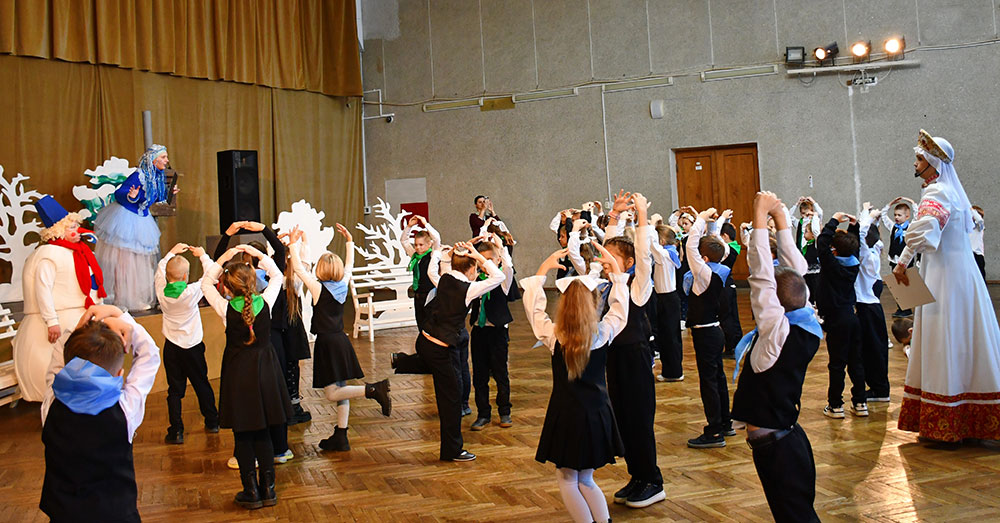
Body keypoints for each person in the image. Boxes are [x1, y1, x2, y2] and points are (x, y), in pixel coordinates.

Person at [892, 130, 1000, 443]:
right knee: (967, 336)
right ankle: (973, 415)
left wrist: (903, 259)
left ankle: (949, 420)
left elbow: (926, 232)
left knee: (944, 337)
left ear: (933, 163)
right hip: (962, 273)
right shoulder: (952, 192)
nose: (915, 163)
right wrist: (904, 261)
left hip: (945, 275)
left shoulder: (937, 192)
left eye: (919, 159)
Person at [731, 191, 822, 523]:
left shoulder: (776, 335)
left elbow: (760, 278)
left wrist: (760, 215)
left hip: (779, 449)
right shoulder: (807, 322)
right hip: (788, 439)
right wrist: (781, 219)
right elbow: (795, 273)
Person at [521, 244, 627, 523]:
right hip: (597, 412)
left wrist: (542, 270)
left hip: (567, 414)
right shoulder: (603, 332)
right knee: (586, 478)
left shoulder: (554, 336)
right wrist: (616, 271)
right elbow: (620, 309)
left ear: (564, 305)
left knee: (568, 478)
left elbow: (534, 310)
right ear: (594, 304)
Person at [40, 304, 160, 522]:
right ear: (120, 375)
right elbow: (149, 355)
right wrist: (119, 315)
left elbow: (58, 359)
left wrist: (82, 327)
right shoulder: (125, 408)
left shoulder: (52, 404)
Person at [391, 242, 505, 461]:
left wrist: (440, 254)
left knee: (433, 366)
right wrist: (479, 256)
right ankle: (452, 451)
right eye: (476, 268)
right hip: (440, 349)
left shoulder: (445, 278)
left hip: (424, 341)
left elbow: (431, 271)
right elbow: (498, 277)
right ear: (471, 268)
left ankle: (402, 361)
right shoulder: (469, 289)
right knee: (451, 400)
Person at [202, 245, 292, 509]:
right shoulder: (266, 301)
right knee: (263, 431)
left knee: (243, 434)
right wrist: (259, 255)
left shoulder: (224, 307)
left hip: (238, 373)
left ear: (227, 287)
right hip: (265, 372)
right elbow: (277, 276)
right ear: (252, 281)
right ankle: (269, 490)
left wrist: (223, 258)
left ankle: (250, 491)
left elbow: (206, 283)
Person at [289, 224, 391, 451]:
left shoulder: (318, 288)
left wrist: (293, 244)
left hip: (327, 343)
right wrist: (349, 241)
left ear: (321, 269)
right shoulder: (343, 285)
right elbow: (350, 266)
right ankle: (341, 434)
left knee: (332, 393)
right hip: (341, 341)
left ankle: (372, 389)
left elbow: (298, 268)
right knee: (341, 389)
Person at [602, 191, 664, 509]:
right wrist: (614, 216)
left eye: (613, 259)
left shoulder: (637, 285)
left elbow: (642, 255)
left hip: (635, 359)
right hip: (614, 358)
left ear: (627, 264)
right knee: (623, 421)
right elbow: (606, 250)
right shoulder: (608, 285)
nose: (604, 262)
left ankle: (653, 481)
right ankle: (637, 476)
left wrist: (640, 216)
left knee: (639, 421)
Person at [14, 195, 106, 402]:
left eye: (76, 225)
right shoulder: (47, 254)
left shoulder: (79, 252)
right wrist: (51, 321)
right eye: (71, 227)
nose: (77, 230)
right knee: (53, 367)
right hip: (58, 320)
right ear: (57, 231)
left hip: (79, 316)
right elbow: (43, 289)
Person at [94, 144, 175, 311]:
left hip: (141, 219)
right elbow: (119, 194)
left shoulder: (156, 176)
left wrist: (169, 194)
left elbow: (153, 197)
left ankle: (133, 297)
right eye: (163, 157)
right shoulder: (139, 175)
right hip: (127, 220)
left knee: (139, 263)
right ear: (153, 160)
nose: (166, 160)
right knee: (125, 262)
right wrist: (131, 196)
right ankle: (121, 299)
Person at [155, 243, 219, 444]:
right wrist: (202, 255)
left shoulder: (161, 291)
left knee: (174, 390)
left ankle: (176, 431)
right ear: (185, 276)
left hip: (172, 348)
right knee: (201, 383)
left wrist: (171, 252)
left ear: (168, 277)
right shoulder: (191, 291)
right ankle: (212, 421)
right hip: (193, 347)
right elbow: (211, 274)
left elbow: (159, 269)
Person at [684, 207, 735, 449]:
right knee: (718, 378)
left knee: (709, 383)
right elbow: (714, 244)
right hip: (715, 331)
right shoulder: (720, 266)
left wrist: (700, 219)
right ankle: (725, 423)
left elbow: (691, 246)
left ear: (703, 259)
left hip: (706, 333)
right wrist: (714, 224)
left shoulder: (704, 274)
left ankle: (714, 431)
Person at [817, 211, 867, 419]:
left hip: (836, 320)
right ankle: (860, 402)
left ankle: (835, 405)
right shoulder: (854, 263)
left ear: (834, 250)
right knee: (856, 361)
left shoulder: (832, 264)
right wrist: (854, 227)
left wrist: (834, 221)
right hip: (852, 318)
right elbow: (855, 246)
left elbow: (821, 243)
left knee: (837, 364)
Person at [469, 235, 516, 431]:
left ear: (497, 260)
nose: (485, 264)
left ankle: (504, 411)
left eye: (489, 260)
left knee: (500, 373)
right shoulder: (475, 279)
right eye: (482, 260)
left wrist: (501, 247)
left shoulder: (502, 280)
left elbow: (508, 267)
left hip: (497, 332)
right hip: (479, 332)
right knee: (479, 375)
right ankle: (483, 414)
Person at [856, 205, 891, 404]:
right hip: (872, 309)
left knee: (872, 351)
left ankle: (879, 390)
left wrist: (868, 216)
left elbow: (861, 233)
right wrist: (870, 216)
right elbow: (867, 233)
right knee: (874, 350)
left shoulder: (866, 256)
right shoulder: (875, 249)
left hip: (867, 309)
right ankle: (879, 388)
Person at [650, 223, 683, 382]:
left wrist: (650, 225)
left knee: (669, 337)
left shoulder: (664, 254)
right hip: (667, 299)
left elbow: (651, 243)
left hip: (667, 299)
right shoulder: (668, 252)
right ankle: (672, 370)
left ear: (662, 241)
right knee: (669, 336)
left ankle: (673, 372)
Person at [402, 215, 442, 330]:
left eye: (421, 245)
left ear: (429, 244)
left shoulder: (433, 255)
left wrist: (425, 224)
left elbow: (436, 238)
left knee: (431, 322)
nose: (417, 247)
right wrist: (409, 227)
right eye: (416, 245)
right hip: (418, 294)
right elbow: (404, 241)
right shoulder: (414, 256)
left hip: (430, 293)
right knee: (420, 321)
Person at [880, 197, 917, 317]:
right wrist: (890, 204)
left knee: (905, 285)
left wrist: (912, 203)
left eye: (899, 215)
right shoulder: (893, 227)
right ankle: (900, 308)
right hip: (894, 260)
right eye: (895, 215)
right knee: (897, 285)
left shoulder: (911, 227)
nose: (896, 217)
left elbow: (917, 216)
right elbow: (883, 216)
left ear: (907, 216)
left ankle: (906, 309)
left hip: (905, 262)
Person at [793, 197, 823, 304]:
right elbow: (789, 217)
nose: (805, 216)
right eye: (802, 213)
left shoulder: (816, 238)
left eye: (807, 213)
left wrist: (814, 208)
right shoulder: (800, 223)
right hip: (803, 261)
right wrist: (796, 204)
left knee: (815, 291)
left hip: (814, 270)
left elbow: (819, 215)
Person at [971, 205, 986, 282]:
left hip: (977, 254)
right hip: (968, 253)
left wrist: (971, 209)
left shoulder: (980, 227)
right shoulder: (967, 227)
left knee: (980, 279)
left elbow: (979, 220)